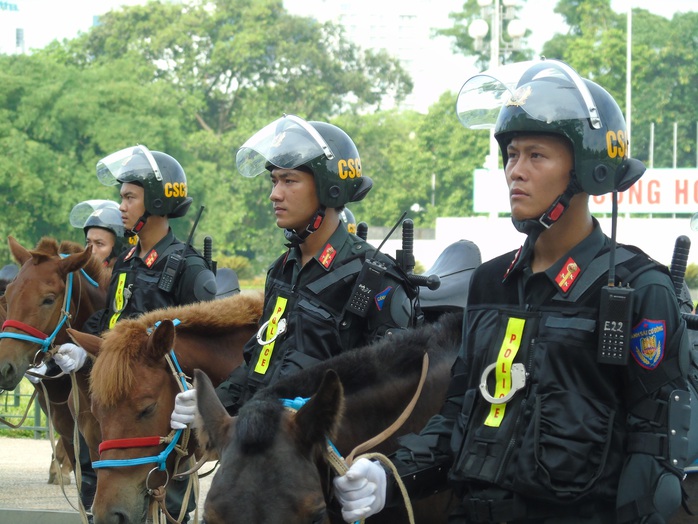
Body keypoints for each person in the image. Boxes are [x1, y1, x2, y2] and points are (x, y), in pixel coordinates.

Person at [333, 59, 691, 524]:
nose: (514, 172)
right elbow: (460, 414)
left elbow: (655, 459)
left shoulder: (639, 290)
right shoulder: (490, 283)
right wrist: (392, 477)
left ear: (587, 170)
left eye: (536, 155)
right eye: (511, 155)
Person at [170, 115, 421, 428]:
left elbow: (390, 393)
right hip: (260, 443)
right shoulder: (283, 269)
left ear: (329, 189)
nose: (275, 194)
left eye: (289, 181)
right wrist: (211, 403)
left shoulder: (376, 278)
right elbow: (258, 364)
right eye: (274, 181)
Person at [53, 144, 217, 522]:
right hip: (120, 410)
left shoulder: (189, 269)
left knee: (167, 506)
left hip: (165, 423)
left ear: (157, 201)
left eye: (130, 197)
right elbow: (108, 320)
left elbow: (210, 338)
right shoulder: (126, 261)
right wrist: (79, 347)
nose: (121, 206)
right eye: (121, 197)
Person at [69, 199, 129, 267]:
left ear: (119, 250)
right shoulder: (77, 275)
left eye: (99, 243)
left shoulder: (135, 276)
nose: (91, 251)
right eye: (88, 243)